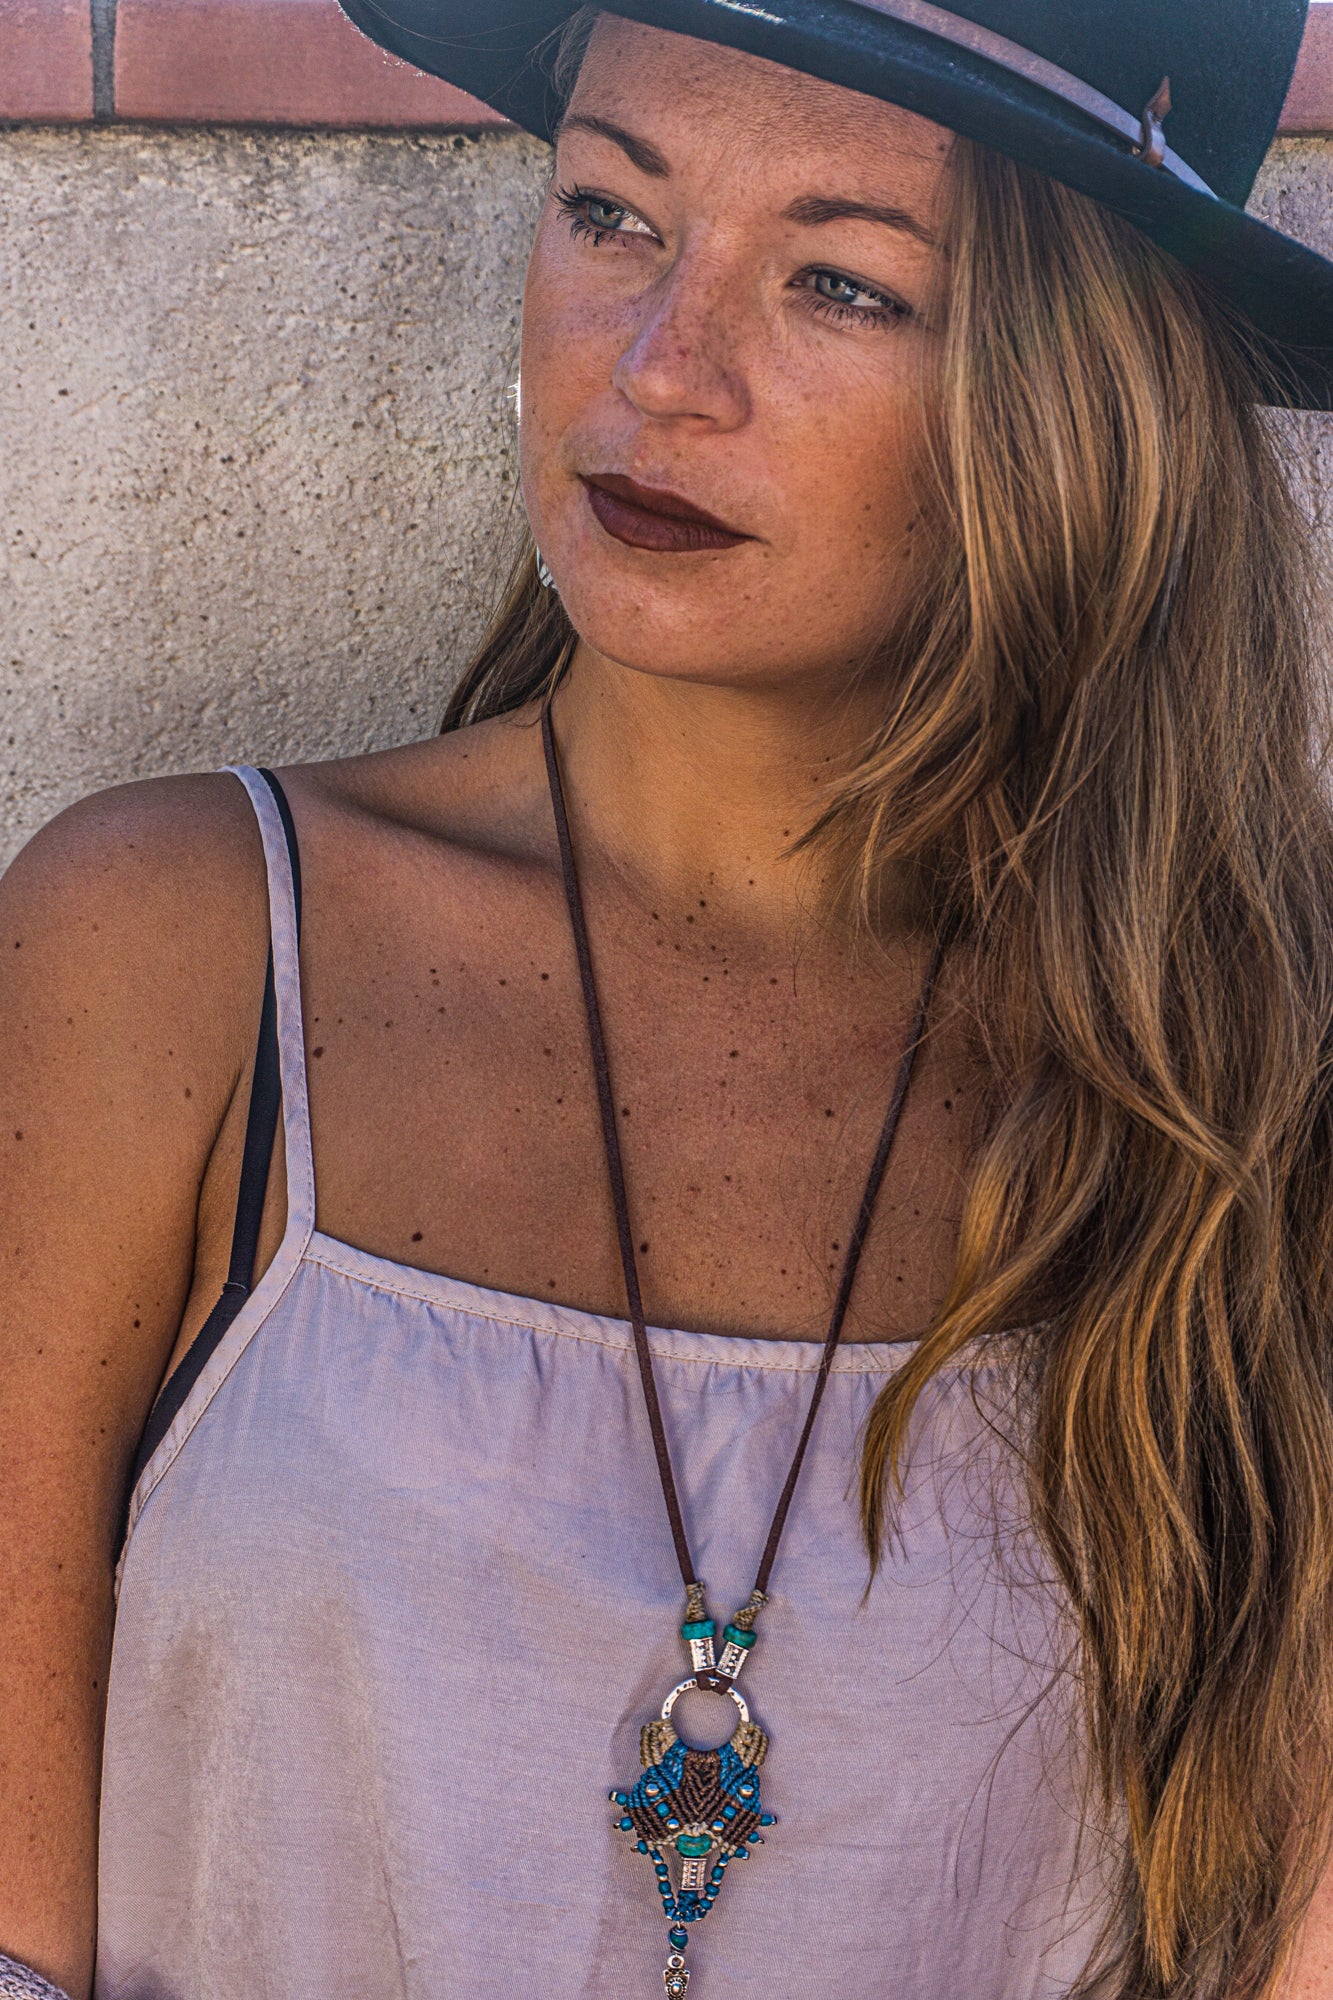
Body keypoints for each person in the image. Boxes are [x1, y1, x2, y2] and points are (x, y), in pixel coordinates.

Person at [3, 2, 1333, 1996]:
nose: (651, 371)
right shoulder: (172, 948)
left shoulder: (1251, 1089)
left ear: (1080, 402)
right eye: (611, 212)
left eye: (834, 281)